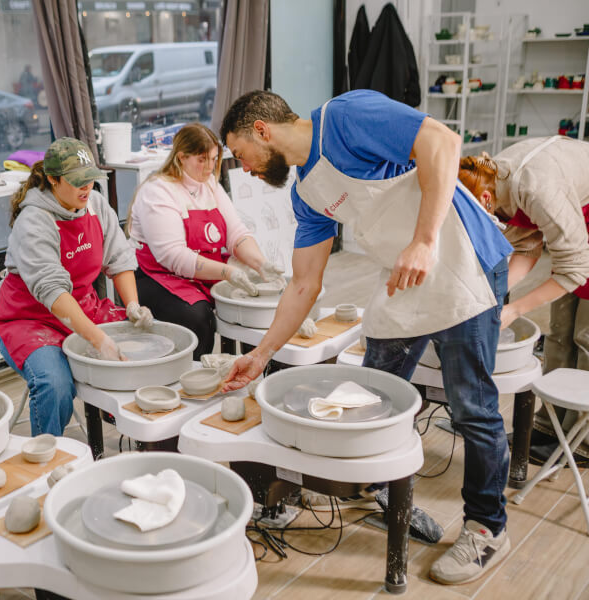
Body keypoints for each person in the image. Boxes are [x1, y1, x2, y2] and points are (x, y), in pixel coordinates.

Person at [219, 89, 513, 585]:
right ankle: (378, 485)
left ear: (262, 132)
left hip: (462, 259)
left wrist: (423, 240)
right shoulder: (305, 193)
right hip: (403, 276)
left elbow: (441, 142)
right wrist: (261, 354)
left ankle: (487, 529)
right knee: (373, 387)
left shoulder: (344, 117)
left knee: (472, 407)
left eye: (240, 154)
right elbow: (304, 283)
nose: (243, 168)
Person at [0, 138, 151, 436]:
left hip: (82, 306)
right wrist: (98, 340)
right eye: (77, 182)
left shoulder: (95, 205)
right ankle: (48, 456)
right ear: (52, 179)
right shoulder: (34, 221)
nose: (86, 188)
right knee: (55, 384)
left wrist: (131, 305)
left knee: (144, 349)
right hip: (29, 319)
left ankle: (137, 436)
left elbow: (118, 259)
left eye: (90, 179)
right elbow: (53, 292)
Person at [460, 137, 589, 462]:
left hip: (577, 218)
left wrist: (516, 309)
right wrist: (497, 299)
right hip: (571, 216)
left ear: (485, 200)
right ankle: (548, 427)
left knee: (585, 336)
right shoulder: (493, 179)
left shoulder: (534, 188)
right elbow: (527, 244)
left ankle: (581, 441)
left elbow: (575, 269)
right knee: (560, 332)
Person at [127, 123, 282, 359]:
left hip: (204, 269)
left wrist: (261, 264)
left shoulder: (209, 184)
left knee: (255, 305)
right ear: (181, 158)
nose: (210, 166)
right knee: (199, 318)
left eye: (213, 159)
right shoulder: (158, 191)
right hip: (157, 275)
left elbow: (236, 233)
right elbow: (173, 256)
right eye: (202, 160)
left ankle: (254, 369)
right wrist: (228, 272)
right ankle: (195, 378)